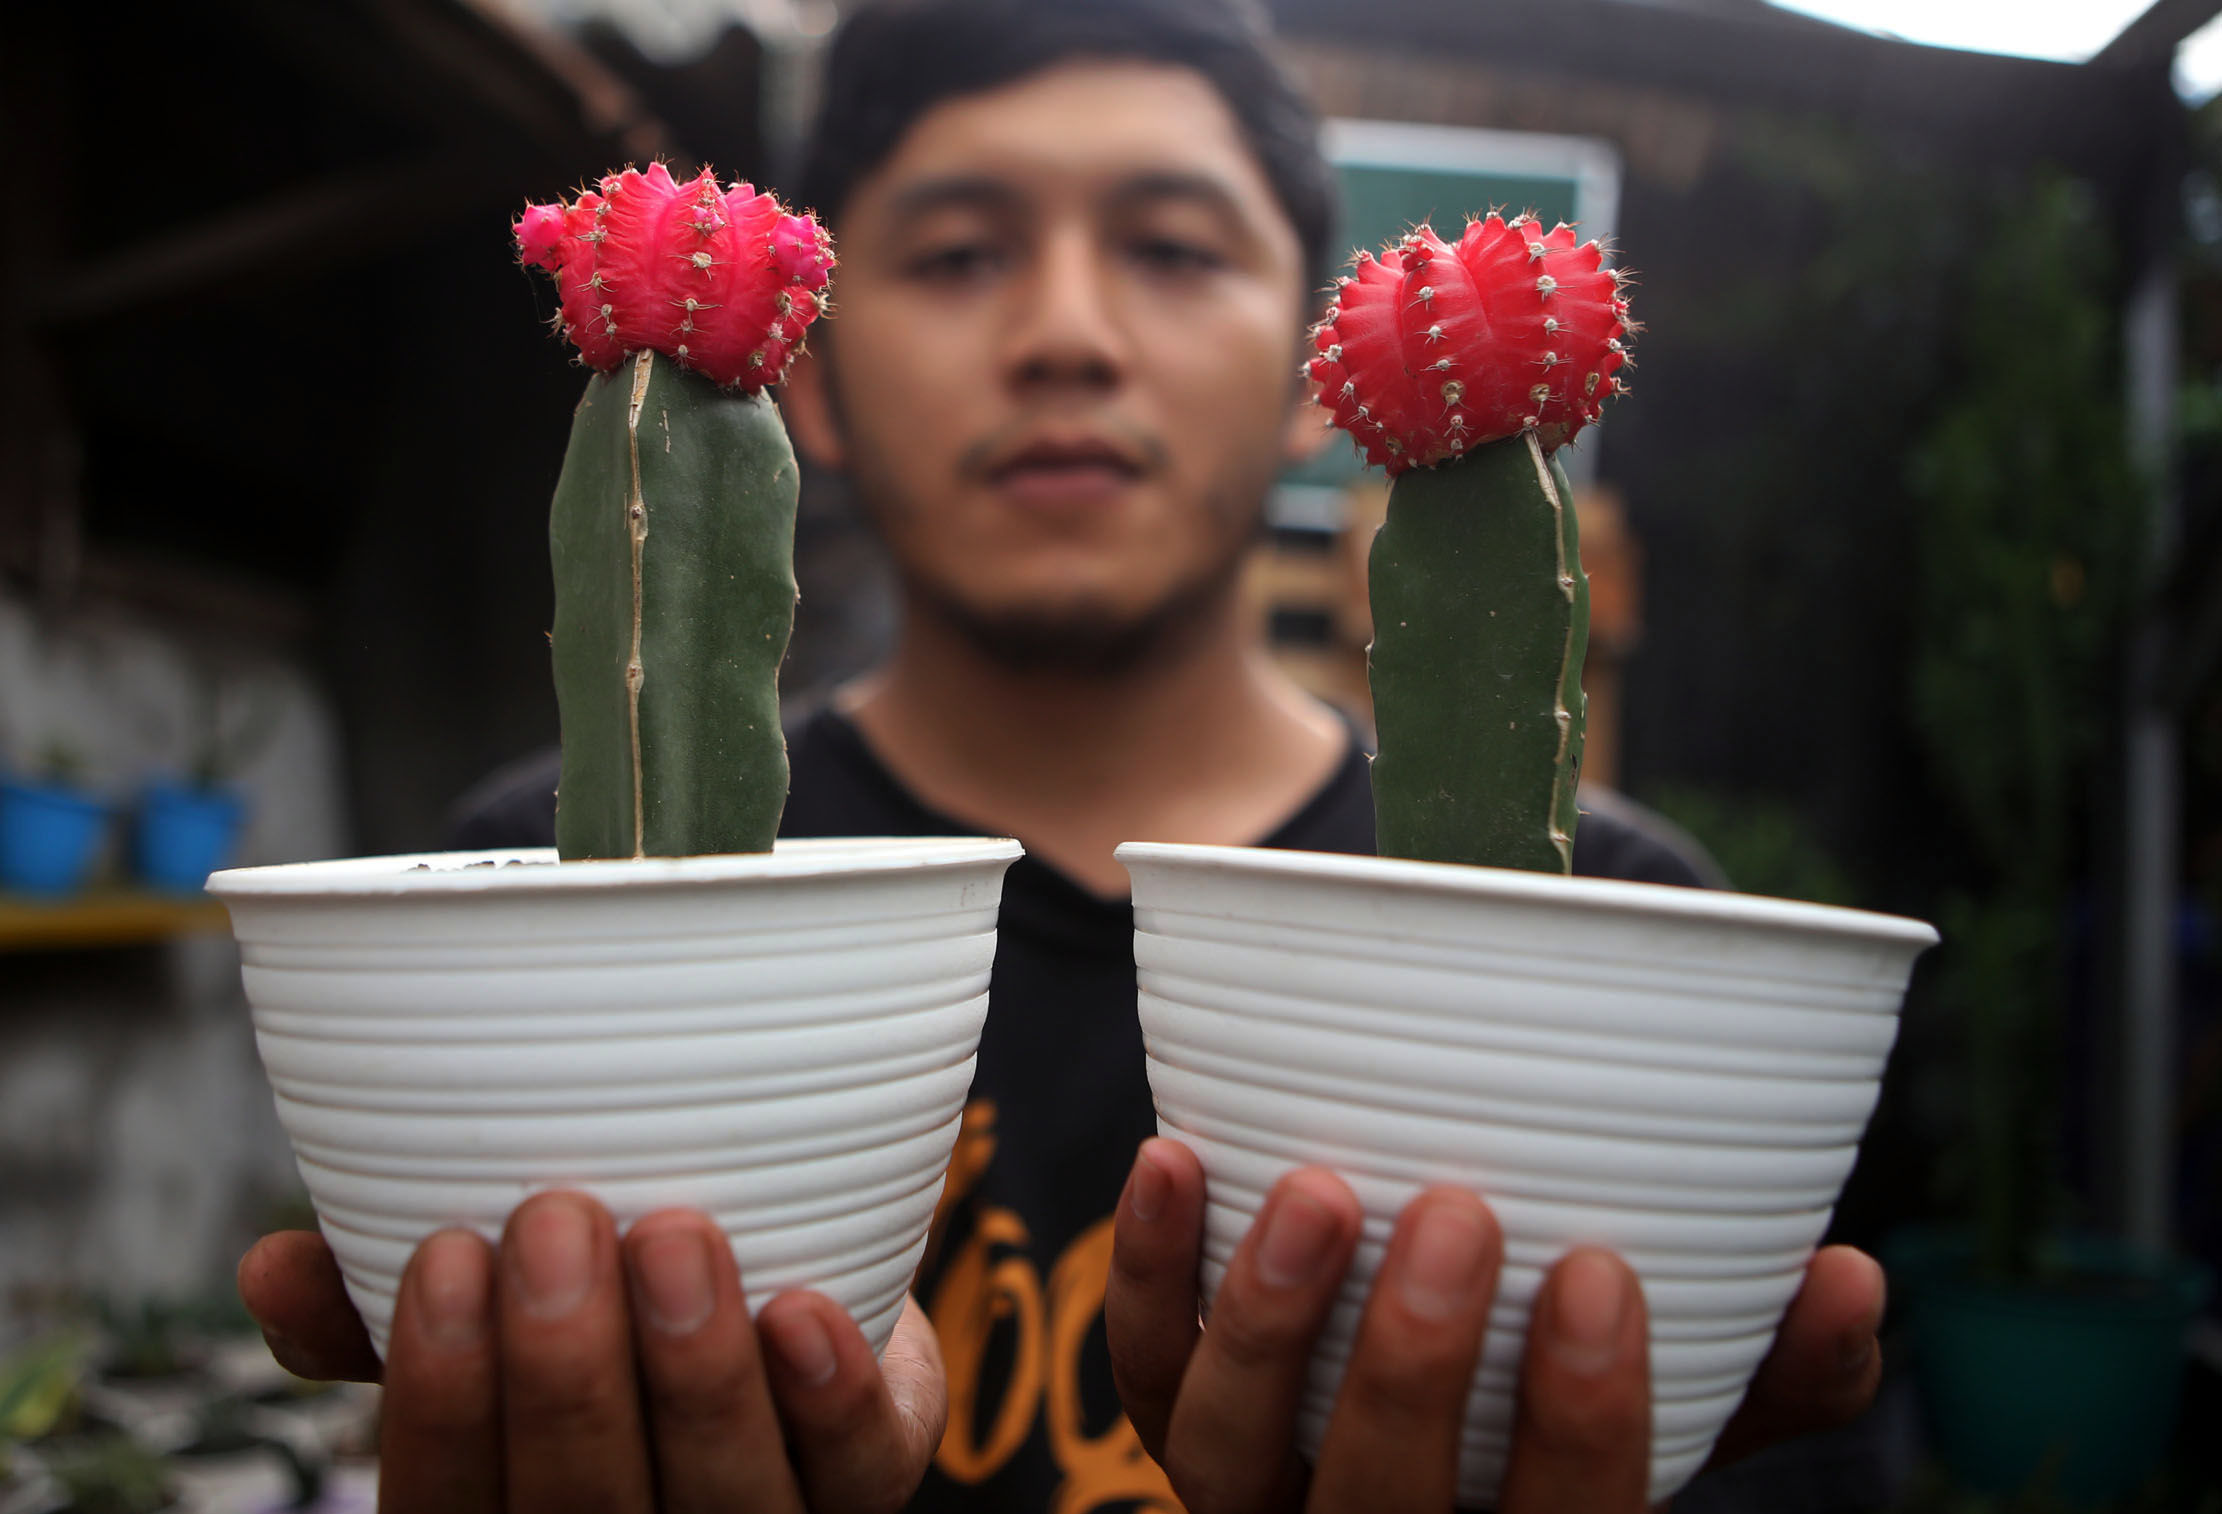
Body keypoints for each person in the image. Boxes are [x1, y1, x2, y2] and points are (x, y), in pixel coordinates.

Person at [238, 1, 1889, 1510]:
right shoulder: (541, 878)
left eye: (1172, 249)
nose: (1066, 336)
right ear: (804, 370)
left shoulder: (1625, 920)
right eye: (958, 255)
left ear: (1320, 370)